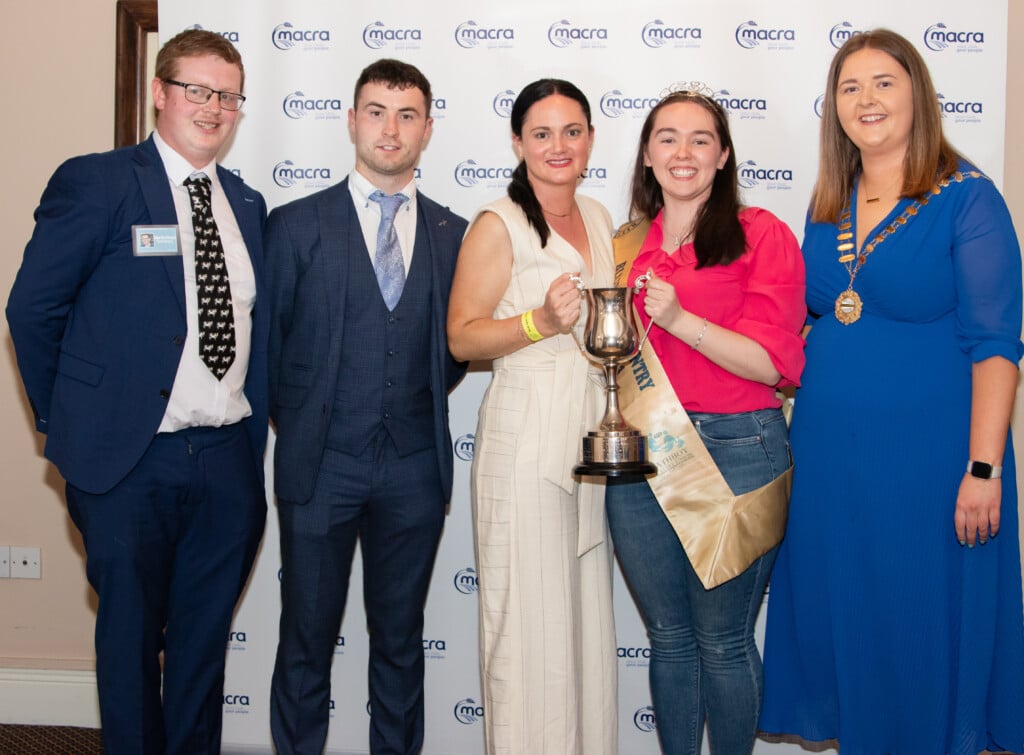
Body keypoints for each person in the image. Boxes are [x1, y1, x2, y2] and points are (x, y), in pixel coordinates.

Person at [760, 29, 1024, 754]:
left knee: (918, 628)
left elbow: (998, 345)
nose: (865, 100)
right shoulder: (827, 202)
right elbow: (816, 318)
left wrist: (984, 468)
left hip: (930, 461)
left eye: (883, 82)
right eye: (849, 87)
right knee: (853, 629)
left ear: (918, 94)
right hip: (832, 465)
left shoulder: (967, 198)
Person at [6, 29, 268, 754]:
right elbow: (31, 310)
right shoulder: (99, 182)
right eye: (197, 90)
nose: (214, 107)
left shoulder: (246, 205)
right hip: (127, 463)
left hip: (226, 463)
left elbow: (255, 329)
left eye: (228, 95)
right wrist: (67, 424)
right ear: (160, 92)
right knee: (127, 645)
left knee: (200, 648)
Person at [266, 58, 467, 755]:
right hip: (319, 468)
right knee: (305, 641)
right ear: (352, 121)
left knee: (401, 640)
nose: (391, 128)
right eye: (377, 111)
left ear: (428, 129)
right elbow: (270, 355)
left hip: (413, 471)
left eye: (407, 114)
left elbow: (454, 351)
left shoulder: (453, 232)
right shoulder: (292, 226)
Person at [603, 87, 805, 755]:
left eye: (699, 139)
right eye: (667, 137)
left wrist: (682, 319)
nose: (682, 151)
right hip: (642, 451)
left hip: (737, 447)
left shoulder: (761, 233)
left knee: (721, 638)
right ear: (647, 154)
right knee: (669, 634)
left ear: (722, 156)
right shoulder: (624, 244)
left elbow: (775, 363)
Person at [447, 79, 618, 754]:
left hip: (587, 444)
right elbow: (462, 336)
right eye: (541, 133)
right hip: (523, 446)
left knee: (581, 632)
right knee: (527, 635)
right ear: (517, 143)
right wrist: (538, 320)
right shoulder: (499, 223)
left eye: (572, 131)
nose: (558, 146)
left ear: (590, 140)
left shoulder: (601, 217)